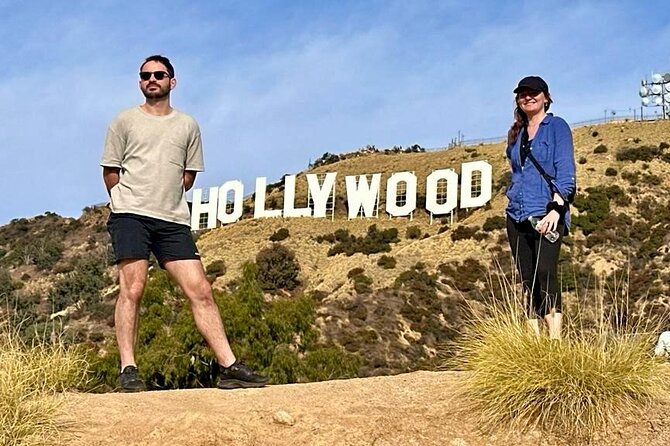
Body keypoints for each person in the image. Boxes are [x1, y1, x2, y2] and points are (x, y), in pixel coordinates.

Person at [101, 55, 268, 391]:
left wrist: (164, 198)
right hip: (131, 215)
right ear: (140, 82)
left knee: (201, 290)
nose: (152, 79)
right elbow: (110, 171)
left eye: (159, 75)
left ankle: (229, 367)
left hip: (173, 219)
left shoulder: (188, 125)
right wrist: (126, 201)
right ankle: (128, 369)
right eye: (145, 75)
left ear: (171, 82)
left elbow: (188, 176)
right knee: (132, 289)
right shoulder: (124, 121)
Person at [505, 76, 576, 340]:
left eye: (533, 93)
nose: (527, 97)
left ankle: (555, 342)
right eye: (522, 94)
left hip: (546, 211)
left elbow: (565, 172)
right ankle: (533, 344)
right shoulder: (517, 135)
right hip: (517, 214)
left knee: (545, 272)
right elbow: (517, 173)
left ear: (546, 96)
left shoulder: (556, 127)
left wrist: (557, 209)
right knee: (528, 279)